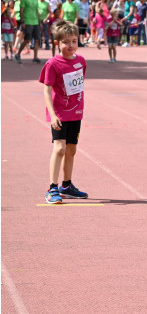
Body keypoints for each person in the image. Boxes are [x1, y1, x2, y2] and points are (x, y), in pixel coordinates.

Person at [39, 20, 88, 204]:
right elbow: (46, 90)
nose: (71, 45)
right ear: (58, 43)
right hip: (59, 114)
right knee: (59, 148)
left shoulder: (81, 61)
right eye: (66, 42)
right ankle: (52, 188)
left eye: (74, 41)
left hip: (76, 113)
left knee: (71, 149)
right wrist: (52, 114)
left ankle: (66, 186)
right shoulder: (53, 64)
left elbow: (78, 85)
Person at [15, 0, 44, 64]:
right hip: (28, 21)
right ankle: (18, 54)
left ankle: (35, 57)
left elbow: (37, 11)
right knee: (27, 40)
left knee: (37, 39)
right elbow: (21, 10)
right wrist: (22, 22)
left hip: (36, 22)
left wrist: (40, 22)